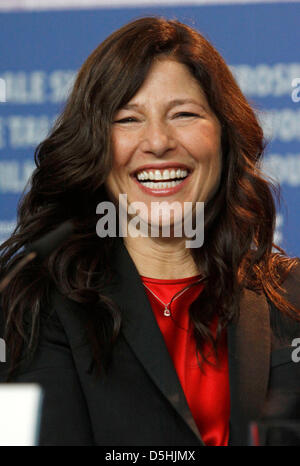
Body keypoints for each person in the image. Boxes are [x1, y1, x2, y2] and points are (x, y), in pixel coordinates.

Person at [0, 16, 300, 447]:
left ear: (225, 136)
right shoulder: (34, 303)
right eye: (127, 119)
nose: (158, 141)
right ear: (94, 147)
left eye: (183, 114)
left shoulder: (290, 297)